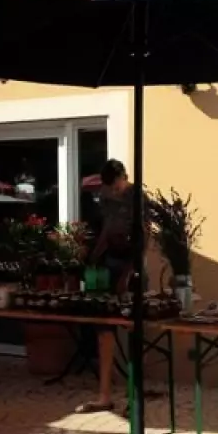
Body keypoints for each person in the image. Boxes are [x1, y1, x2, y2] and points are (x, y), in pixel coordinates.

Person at [75, 159, 146, 414]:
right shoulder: (105, 195)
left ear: (124, 177)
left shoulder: (137, 197)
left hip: (131, 265)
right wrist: (94, 255)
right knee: (103, 329)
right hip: (110, 262)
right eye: (109, 188)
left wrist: (128, 274)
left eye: (116, 186)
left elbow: (143, 239)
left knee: (133, 329)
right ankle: (104, 396)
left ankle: (133, 399)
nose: (113, 191)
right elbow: (107, 227)